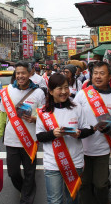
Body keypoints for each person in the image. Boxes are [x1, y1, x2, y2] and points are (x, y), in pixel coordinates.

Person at [36, 73, 94, 204]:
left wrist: (78, 133)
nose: (64, 92)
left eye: (66, 88)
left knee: (72, 199)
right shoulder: (43, 112)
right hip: (53, 163)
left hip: (75, 162)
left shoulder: (77, 107)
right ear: (50, 91)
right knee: (55, 201)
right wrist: (53, 133)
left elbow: (88, 129)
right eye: (59, 89)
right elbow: (39, 136)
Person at [0, 61, 45, 204]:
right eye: (18, 73)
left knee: (30, 172)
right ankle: (26, 191)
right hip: (11, 139)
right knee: (13, 173)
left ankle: (26, 200)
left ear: (30, 74)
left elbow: (45, 115)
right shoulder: (7, 90)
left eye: (23, 73)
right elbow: (2, 115)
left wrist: (35, 119)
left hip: (30, 138)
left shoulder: (39, 92)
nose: (20, 76)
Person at [74, 61, 111, 204]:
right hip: (81, 148)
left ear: (110, 76)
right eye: (95, 73)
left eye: (102, 73)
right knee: (84, 184)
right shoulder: (82, 95)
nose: (98, 76)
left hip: (102, 149)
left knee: (101, 184)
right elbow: (73, 116)